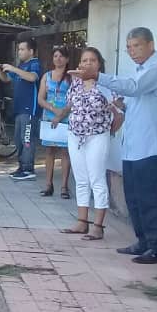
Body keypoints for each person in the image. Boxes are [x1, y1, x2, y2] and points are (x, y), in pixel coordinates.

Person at [70, 27, 157, 264]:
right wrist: (121, 104)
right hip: (134, 143)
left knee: (150, 196)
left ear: (150, 44)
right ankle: (144, 241)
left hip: (151, 143)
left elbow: (134, 88)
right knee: (134, 197)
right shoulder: (140, 70)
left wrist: (97, 76)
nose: (132, 51)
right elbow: (135, 99)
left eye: (136, 45)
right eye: (128, 47)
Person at [57, 47, 120, 241]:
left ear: (99, 64)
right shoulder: (75, 83)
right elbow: (69, 105)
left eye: (92, 60)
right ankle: (82, 221)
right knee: (81, 179)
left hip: (97, 136)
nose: (88, 64)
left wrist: (112, 130)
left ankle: (98, 226)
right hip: (75, 135)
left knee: (97, 179)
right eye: (84, 60)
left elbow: (119, 112)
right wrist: (59, 116)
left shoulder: (106, 85)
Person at [0, 39, 42, 181]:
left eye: (22, 49)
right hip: (19, 109)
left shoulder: (35, 64)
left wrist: (13, 68)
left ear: (31, 51)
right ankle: (22, 166)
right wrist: (1, 71)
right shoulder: (22, 66)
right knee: (19, 139)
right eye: (19, 49)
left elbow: (33, 77)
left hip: (30, 109)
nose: (19, 52)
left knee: (27, 138)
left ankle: (28, 169)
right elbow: (6, 79)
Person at [38, 46, 72, 198]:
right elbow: (40, 98)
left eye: (61, 56)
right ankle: (48, 184)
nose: (58, 59)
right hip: (49, 116)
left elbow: (74, 100)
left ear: (67, 59)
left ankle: (64, 186)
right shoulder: (47, 76)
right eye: (55, 56)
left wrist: (61, 114)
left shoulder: (71, 77)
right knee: (50, 150)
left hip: (66, 116)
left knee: (65, 152)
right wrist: (52, 109)